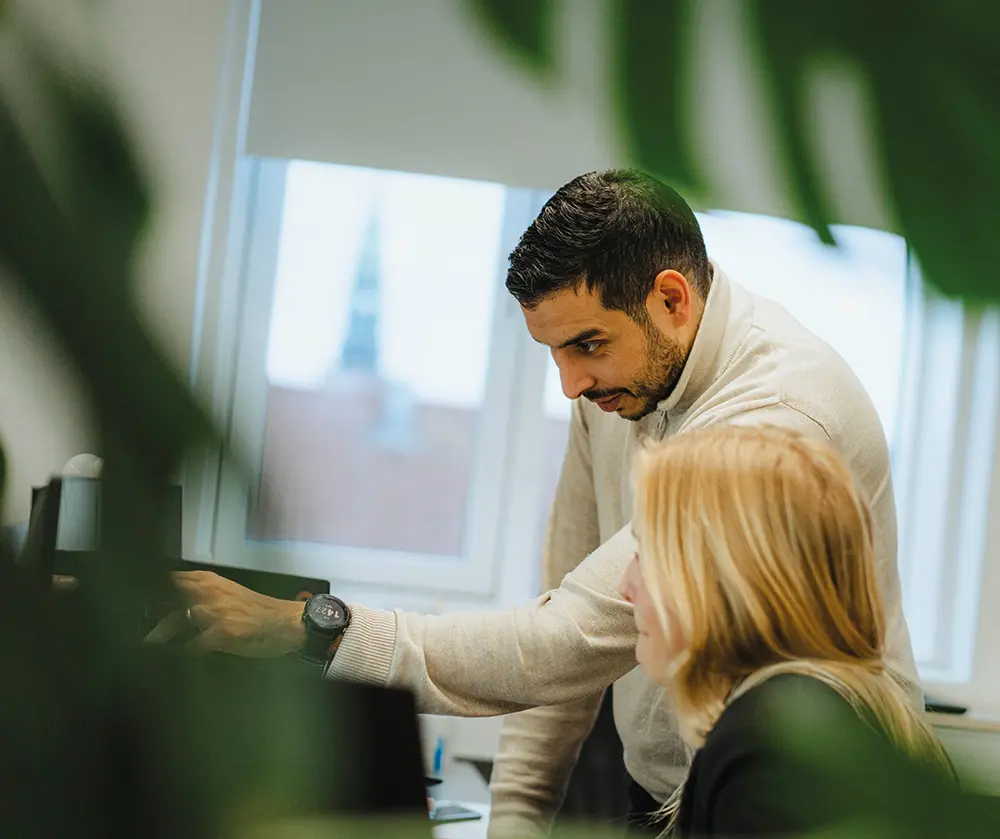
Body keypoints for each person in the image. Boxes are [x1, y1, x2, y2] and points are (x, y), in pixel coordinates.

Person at [153, 169, 921, 837]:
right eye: (553, 352)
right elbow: (566, 611)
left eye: (587, 344)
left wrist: (310, 627)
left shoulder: (777, 416)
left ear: (671, 299)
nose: (571, 384)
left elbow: (567, 639)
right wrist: (515, 822)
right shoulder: (617, 385)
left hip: (800, 785)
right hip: (675, 792)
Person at [619, 424, 950, 836]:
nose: (625, 586)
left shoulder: (766, 748)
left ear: (722, 574)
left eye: (647, 553)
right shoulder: (825, 712)